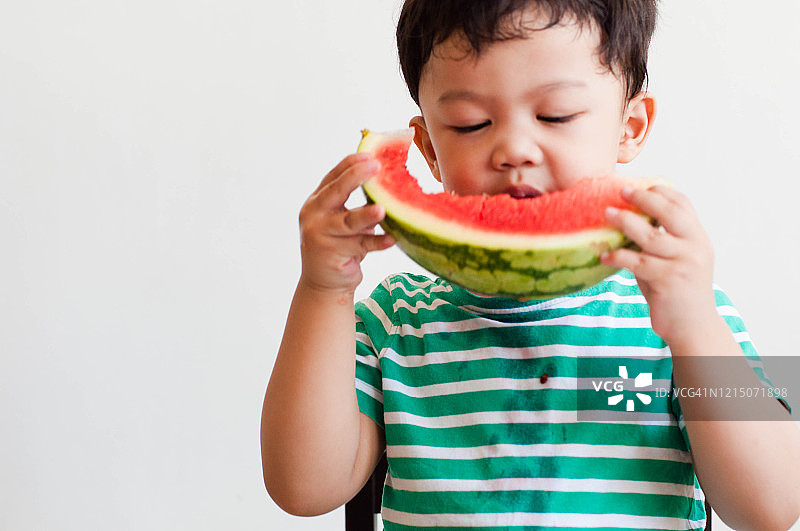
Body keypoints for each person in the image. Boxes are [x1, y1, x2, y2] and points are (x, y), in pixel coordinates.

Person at [261, 0, 800, 529]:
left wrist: (696, 328)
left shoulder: (687, 314)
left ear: (630, 127)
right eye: (470, 123)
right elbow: (303, 490)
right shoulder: (394, 319)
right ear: (427, 147)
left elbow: (772, 508)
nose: (514, 149)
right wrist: (322, 291)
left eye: (555, 115)